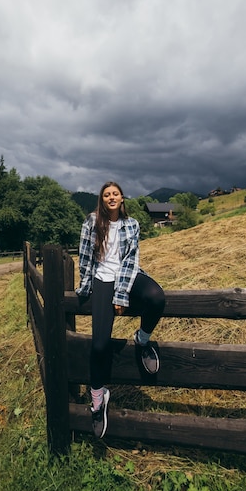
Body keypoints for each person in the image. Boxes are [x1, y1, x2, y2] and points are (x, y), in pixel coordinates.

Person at [76, 181, 165, 438]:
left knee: (156, 297)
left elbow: (130, 260)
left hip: (127, 276)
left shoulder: (132, 224)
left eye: (115, 194)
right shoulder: (91, 222)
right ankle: (98, 397)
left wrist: (122, 294)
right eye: (107, 195)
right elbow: (84, 257)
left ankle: (143, 339)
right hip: (101, 280)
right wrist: (85, 285)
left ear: (122, 198)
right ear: (102, 200)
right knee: (99, 345)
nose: (111, 198)